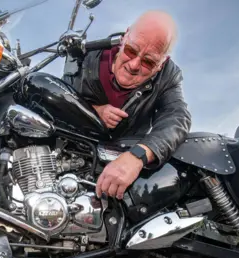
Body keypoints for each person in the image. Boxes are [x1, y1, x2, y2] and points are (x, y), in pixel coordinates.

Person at [69, 10, 192, 200]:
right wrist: (94, 111)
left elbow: (177, 117)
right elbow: (63, 95)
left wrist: (138, 156)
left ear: (162, 62)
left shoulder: (169, 76)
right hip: (76, 152)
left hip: (126, 154)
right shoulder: (88, 54)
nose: (134, 64)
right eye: (131, 50)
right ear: (125, 36)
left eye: (148, 61)